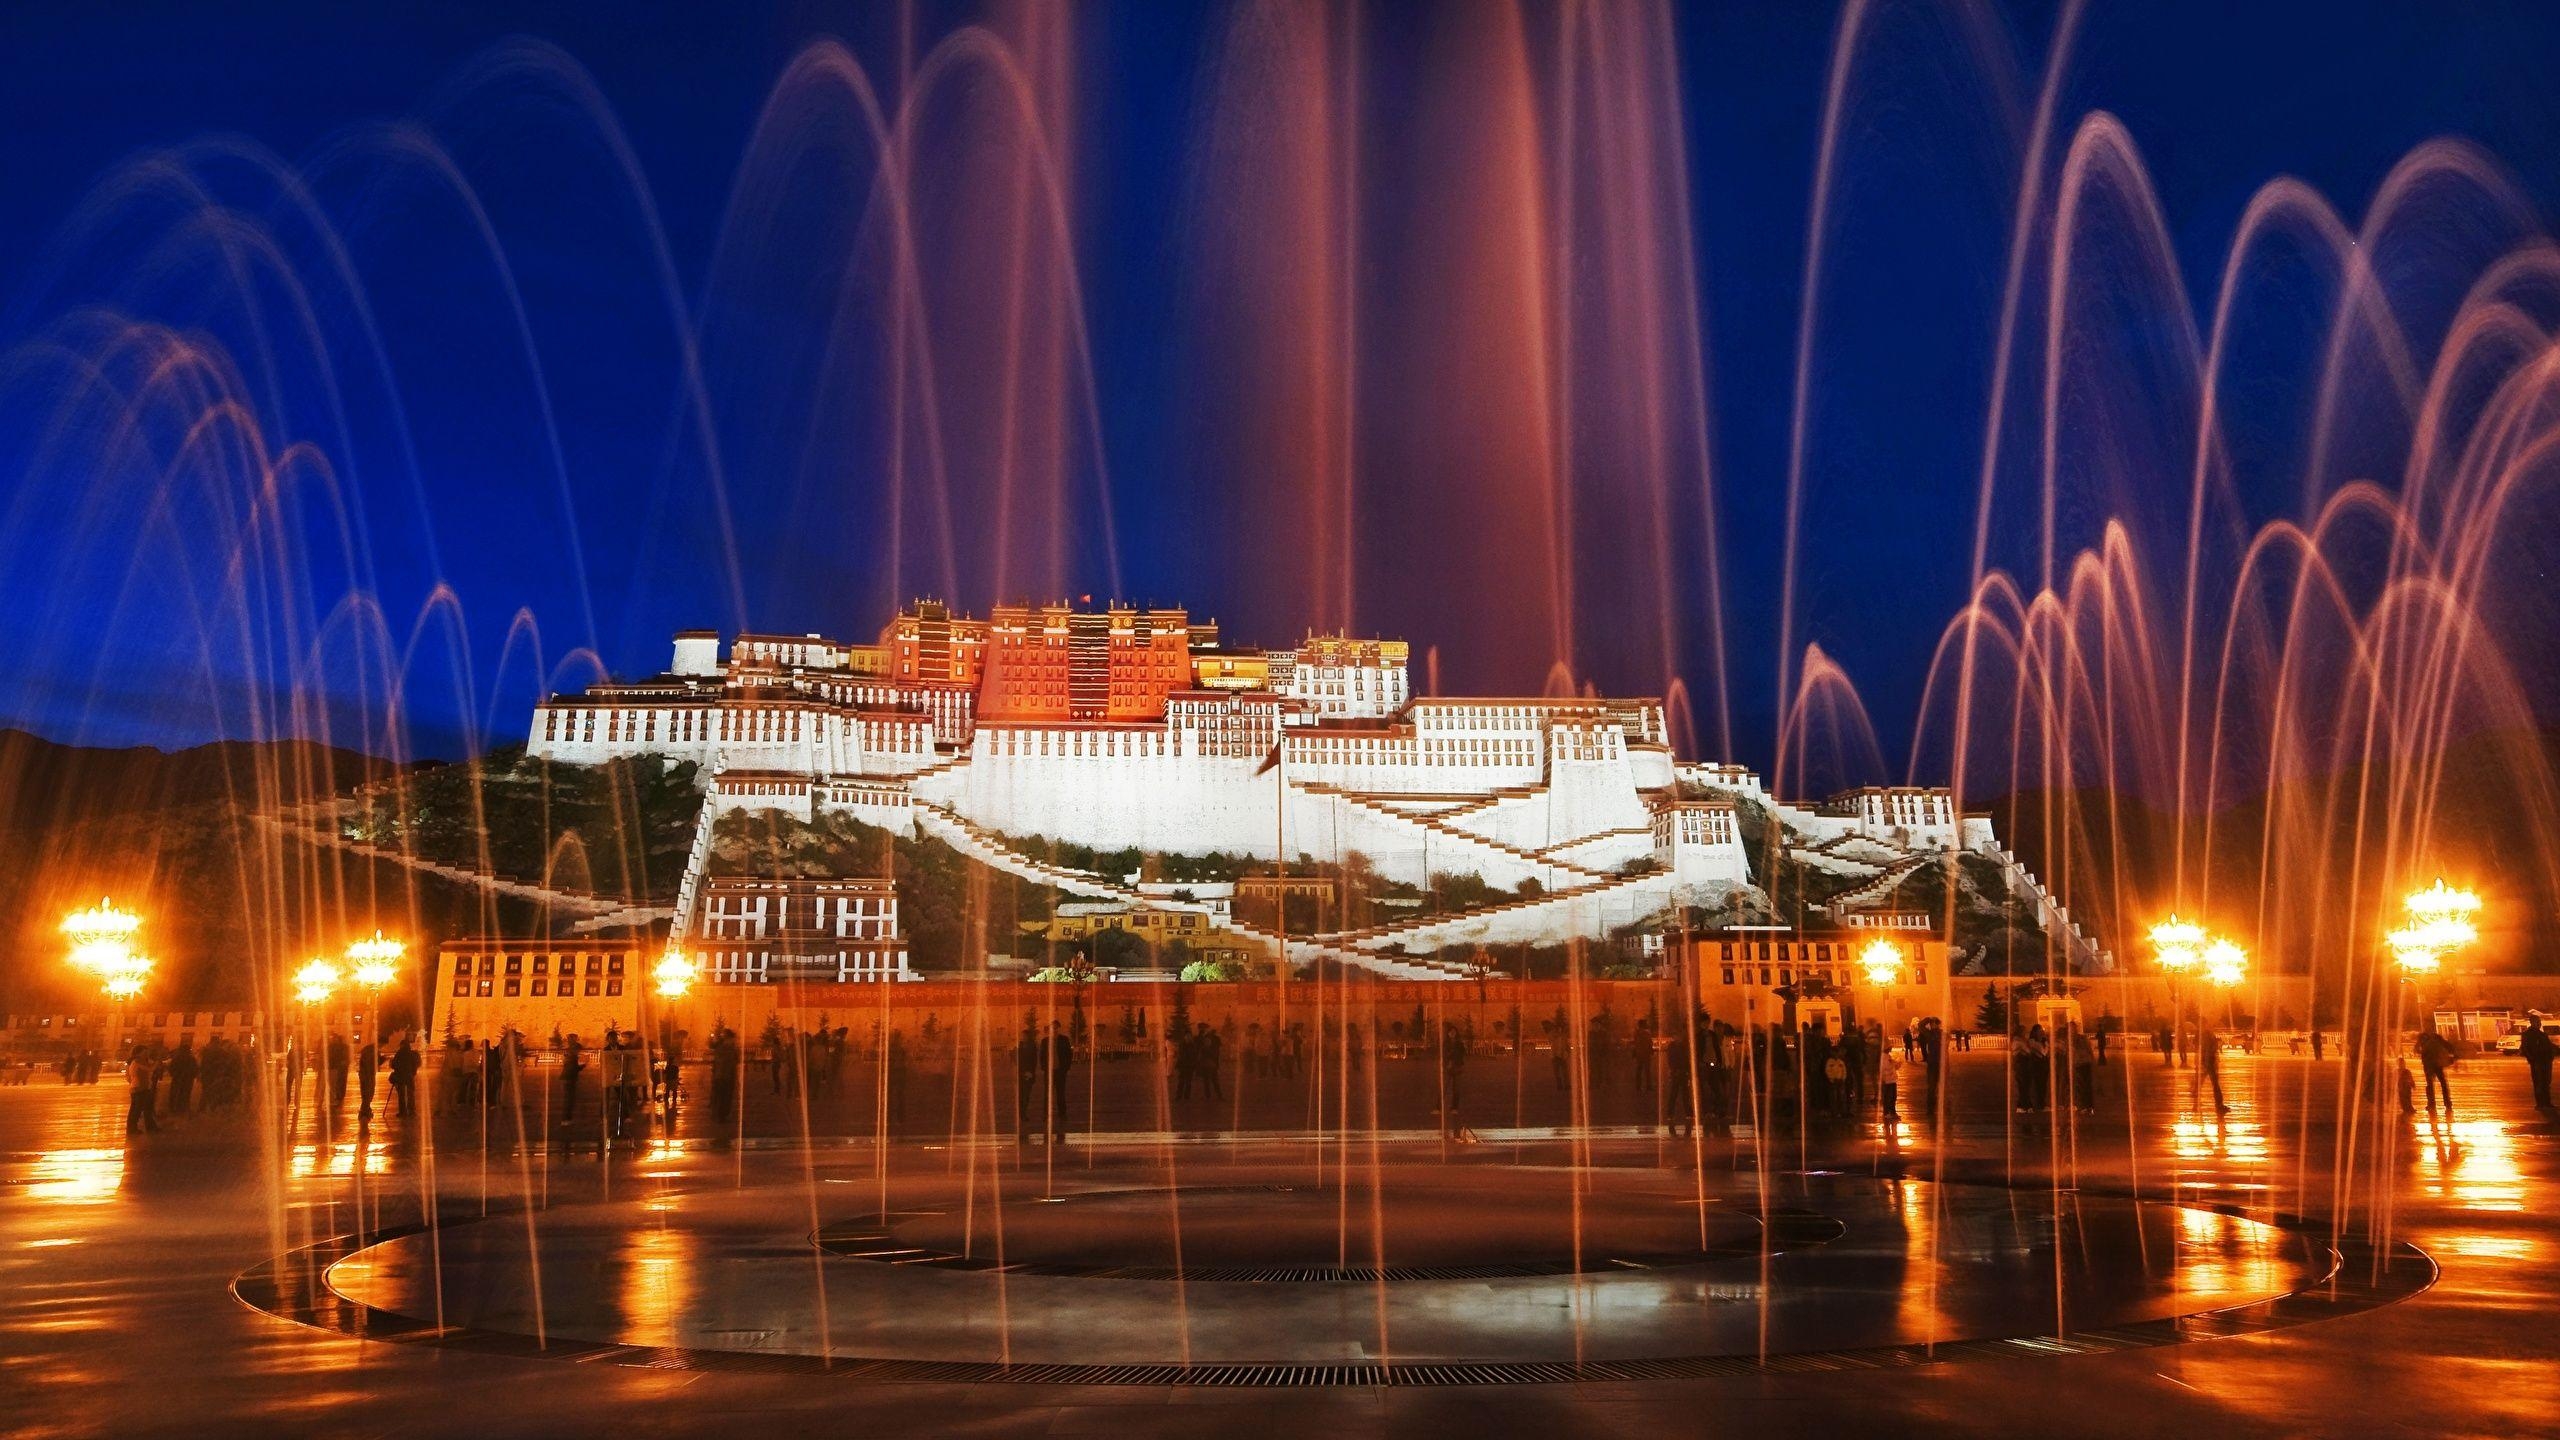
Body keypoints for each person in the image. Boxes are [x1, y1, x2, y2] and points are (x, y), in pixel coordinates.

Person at [2416, 1024, 2458, 1118]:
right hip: (2434, 1064)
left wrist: (2423, 1053)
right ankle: (2445, 1104)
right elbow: (2448, 1046)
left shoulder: (2426, 1037)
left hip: (2431, 1064)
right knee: (2440, 1084)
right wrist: (2453, 1055)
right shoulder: (2434, 1037)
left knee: (2433, 1084)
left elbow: (2416, 1049)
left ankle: (2434, 1104)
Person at [1043, 1022, 1074, 1144]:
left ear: (1058, 1029)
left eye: (1055, 1029)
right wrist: (1044, 1067)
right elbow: (1042, 1055)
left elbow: (1068, 1054)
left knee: (1061, 1092)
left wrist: (1066, 1067)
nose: (1054, 1031)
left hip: (1060, 1070)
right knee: (1048, 1093)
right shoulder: (1045, 1041)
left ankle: (1062, 1113)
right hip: (1049, 1071)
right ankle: (1046, 1114)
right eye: (1052, 1029)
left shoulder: (1064, 1040)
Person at [1438, 1020, 1470, 1138]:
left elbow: (1462, 1053)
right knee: (1445, 1087)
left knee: (1456, 1089)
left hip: (1456, 1067)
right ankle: (1441, 1107)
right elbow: (1443, 1054)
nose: (1452, 1034)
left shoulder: (1458, 1043)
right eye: (1450, 1032)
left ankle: (1454, 1109)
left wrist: (1455, 1058)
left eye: (1453, 1032)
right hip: (1448, 1068)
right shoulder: (1446, 1043)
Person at [2519, 1015, 2555, 1111]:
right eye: (2537, 1022)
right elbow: (2525, 1048)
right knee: (2539, 1082)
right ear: (2532, 1022)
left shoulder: (2542, 1035)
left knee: (2546, 1082)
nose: (2539, 1024)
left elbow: (2550, 1047)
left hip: (2546, 1062)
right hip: (2537, 1062)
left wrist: (2551, 1056)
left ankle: (2547, 1102)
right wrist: (2532, 1059)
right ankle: (2540, 1103)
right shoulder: (2527, 1034)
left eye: (2539, 1022)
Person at [1015, 1022, 1042, 1145]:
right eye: (1022, 1036)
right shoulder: (1019, 1046)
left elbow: (1034, 1061)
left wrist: (1030, 1072)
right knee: (1021, 1094)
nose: (1022, 1037)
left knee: (1026, 1095)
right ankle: (1021, 1113)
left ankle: (1023, 1112)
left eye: (1024, 1036)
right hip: (1020, 1074)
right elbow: (1016, 1060)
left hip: (1029, 1074)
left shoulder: (1032, 1046)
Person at [124, 1045, 161, 1135]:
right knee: (137, 1110)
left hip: (139, 1088)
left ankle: (148, 1127)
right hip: (139, 1089)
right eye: (145, 1052)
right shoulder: (137, 1061)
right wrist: (156, 1063)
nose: (147, 1053)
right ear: (140, 1052)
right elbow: (150, 1069)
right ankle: (133, 1129)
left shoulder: (135, 1061)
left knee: (143, 1109)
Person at [2196, 1023, 2230, 1114]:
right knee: (2214, 1084)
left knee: (2201, 1082)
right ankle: (2219, 1104)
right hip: (2209, 1062)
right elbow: (2207, 1049)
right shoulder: (2207, 1035)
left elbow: (2205, 1049)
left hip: (2207, 1062)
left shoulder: (2205, 1035)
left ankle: (2196, 1102)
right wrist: (2207, 1062)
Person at [388, 1034, 421, 1118]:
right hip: (410, 1076)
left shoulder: (399, 1053)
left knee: (401, 1095)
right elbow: (416, 1064)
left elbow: (394, 1064)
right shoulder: (412, 1054)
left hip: (401, 1076)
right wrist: (413, 1072)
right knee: (411, 1094)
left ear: (402, 1045)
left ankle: (403, 1112)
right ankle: (412, 1111)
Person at [324, 1031, 351, 1130]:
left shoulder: (337, 1047)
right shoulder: (336, 1047)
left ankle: (337, 1097)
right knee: (337, 1082)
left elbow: (341, 1057)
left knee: (336, 1082)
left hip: (336, 1067)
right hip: (336, 1067)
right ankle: (337, 1097)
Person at [165, 1037, 198, 1117]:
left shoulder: (176, 1058)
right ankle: (182, 1108)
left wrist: (175, 1075)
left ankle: (173, 1108)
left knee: (175, 1093)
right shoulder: (191, 1059)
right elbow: (195, 1069)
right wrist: (192, 1076)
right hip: (187, 1079)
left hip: (177, 1078)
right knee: (185, 1094)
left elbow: (171, 1068)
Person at [356, 1031, 380, 1126]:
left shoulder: (369, 1049)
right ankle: (364, 1112)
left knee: (367, 1094)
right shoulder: (372, 1050)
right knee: (368, 1093)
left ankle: (365, 1110)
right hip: (367, 1075)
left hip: (366, 1075)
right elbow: (370, 1063)